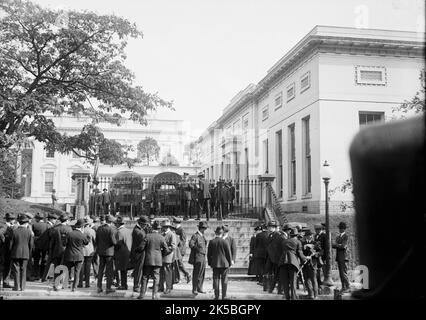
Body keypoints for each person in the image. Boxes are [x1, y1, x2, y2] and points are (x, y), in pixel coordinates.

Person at [138, 221, 170, 300]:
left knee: (145, 277)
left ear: (152, 228)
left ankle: (142, 294)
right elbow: (167, 250)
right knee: (156, 277)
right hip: (158, 260)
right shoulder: (161, 237)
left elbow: (141, 248)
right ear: (159, 229)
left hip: (148, 259)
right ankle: (154, 295)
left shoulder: (147, 236)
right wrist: (161, 254)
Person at [278, 227, 308, 300]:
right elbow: (300, 253)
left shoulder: (284, 242)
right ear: (296, 235)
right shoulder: (298, 242)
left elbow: (280, 252)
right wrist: (305, 259)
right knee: (293, 282)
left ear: (290, 235)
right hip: (292, 263)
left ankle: (287, 298)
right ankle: (293, 298)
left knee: (285, 282)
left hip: (283, 263)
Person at [63, 219, 89, 292]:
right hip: (79, 255)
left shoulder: (69, 233)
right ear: (82, 227)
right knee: (77, 272)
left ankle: (65, 284)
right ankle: (74, 287)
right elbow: (86, 242)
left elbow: (64, 243)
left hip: (69, 254)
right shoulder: (82, 235)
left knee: (66, 270)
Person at [207, 226, 233, 300]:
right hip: (224, 264)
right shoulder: (225, 242)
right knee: (224, 280)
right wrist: (230, 263)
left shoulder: (212, 242)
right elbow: (228, 254)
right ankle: (224, 296)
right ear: (222, 233)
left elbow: (209, 254)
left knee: (216, 279)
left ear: (215, 233)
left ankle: (216, 296)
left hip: (215, 264)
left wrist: (210, 263)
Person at [10, 214, 33, 291]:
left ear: (19, 222)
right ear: (26, 223)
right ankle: (23, 287)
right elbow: (31, 245)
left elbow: (11, 244)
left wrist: (11, 251)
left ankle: (16, 287)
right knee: (24, 270)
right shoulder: (29, 232)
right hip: (26, 253)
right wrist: (29, 253)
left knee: (16, 270)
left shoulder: (14, 231)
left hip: (15, 253)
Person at [50, 213, 73, 291]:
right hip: (66, 250)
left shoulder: (55, 228)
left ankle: (56, 285)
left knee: (57, 267)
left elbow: (52, 241)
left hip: (56, 250)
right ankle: (64, 284)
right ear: (66, 220)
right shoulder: (69, 229)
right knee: (65, 267)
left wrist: (51, 251)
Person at [95, 214, 117, 294]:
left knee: (101, 269)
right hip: (109, 252)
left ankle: (99, 287)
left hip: (101, 251)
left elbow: (96, 240)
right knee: (109, 270)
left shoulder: (99, 228)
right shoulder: (111, 229)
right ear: (110, 221)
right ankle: (108, 287)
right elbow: (113, 242)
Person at [129, 216, 150, 293]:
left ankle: (138, 285)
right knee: (138, 270)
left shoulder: (140, 230)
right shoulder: (138, 231)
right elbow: (145, 239)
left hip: (140, 252)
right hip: (139, 253)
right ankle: (136, 286)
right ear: (141, 224)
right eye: (145, 224)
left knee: (139, 270)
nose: (146, 226)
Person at [188, 221, 208, 296]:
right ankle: (195, 289)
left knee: (202, 273)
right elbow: (191, 244)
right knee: (197, 273)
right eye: (204, 228)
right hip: (198, 257)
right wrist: (197, 249)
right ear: (201, 228)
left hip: (203, 256)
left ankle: (200, 287)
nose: (205, 230)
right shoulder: (195, 235)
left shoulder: (203, 236)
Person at [113, 216, 132, 290]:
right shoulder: (128, 230)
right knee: (125, 270)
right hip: (128, 251)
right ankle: (124, 284)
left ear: (118, 224)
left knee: (122, 270)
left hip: (121, 252)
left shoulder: (119, 232)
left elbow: (118, 244)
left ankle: (123, 285)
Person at [301, 229, 321, 299]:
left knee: (314, 279)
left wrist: (314, 254)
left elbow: (320, 253)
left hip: (313, 264)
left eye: (310, 235)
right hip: (305, 264)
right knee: (307, 280)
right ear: (305, 236)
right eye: (308, 235)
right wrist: (305, 256)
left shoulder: (315, 243)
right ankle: (310, 294)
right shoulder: (302, 243)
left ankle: (316, 295)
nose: (309, 236)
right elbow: (300, 253)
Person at [39, 213, 58, 282]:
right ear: (51, 219)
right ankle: (43, 276)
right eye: (55, 219)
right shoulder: (49, 226)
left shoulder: (49, 225)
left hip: (47, 246)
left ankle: (44, 276)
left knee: (47, 262)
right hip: (48, 246)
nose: (55, 220)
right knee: (46, 261)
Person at [78, 216, 96, 288]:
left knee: (81, 267)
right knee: (88, 267)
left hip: (81, 250)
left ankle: (80, 283)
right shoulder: (92, 231)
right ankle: (87, 283)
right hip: (90, 250)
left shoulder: (81, 231)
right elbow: (95, 241)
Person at [159, 220, 176, 294]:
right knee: (161, 272)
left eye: (164, 227)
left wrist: (165, 249)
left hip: (168, 256)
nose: (163, 228)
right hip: (162, 255)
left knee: (167, 272)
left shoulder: (171, 234)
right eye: (163, 227)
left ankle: (168, 287)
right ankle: (161, 287)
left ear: (167, 227)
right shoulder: (162, 234)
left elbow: (173, 246)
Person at [332, 221, 350, 293]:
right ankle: (343, 287)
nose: (340, 229)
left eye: (341, 228)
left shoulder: (346, 236)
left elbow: (343, 246)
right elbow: (333, 245)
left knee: (343, 273)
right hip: (339, 257)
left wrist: (337, 245)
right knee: (341, 273)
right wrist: (338, 245)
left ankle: (348, 286)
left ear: (344, 229)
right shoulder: (338, 236)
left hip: (344, 257)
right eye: (339, 228)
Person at [172, 217, 191, 284]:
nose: (173, 224)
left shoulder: (181, 230)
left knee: (179, 264)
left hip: (180, 250)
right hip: (176, 250)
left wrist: (178, 249)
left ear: (177, 223)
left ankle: (187, 274)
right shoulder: (175, 229)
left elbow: (183, 241)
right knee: (176, 264)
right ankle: (177, 278)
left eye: (174, 223)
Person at [31, 212, 48, 280]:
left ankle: (36, 274)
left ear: (37, 218)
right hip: (45, 245)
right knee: (44, 260)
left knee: (36, 260)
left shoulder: (34, 225)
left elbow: (33, 235)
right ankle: (42, 274)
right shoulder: (47, 225)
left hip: (36, 244)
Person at [2, 213, 16, 288]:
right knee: (7, 266)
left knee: (8, 266)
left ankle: (6, 282)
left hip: (8, 250)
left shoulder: (9, 226)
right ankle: (5, 282)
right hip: (6, 250)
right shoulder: (5, 226)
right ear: (11, 220)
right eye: (13, 219)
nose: (14, 221)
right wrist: (4, 240)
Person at [253, 223, 268, 288]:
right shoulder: (269, 234)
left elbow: (255, 245)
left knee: (260, 267)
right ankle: (266, 280)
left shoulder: (258, 235)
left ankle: (261, 280)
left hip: (259, 254)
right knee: (266, 267)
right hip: (267, 253)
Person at [313, 223, 326, 289]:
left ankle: (323, 282)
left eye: (317, 230)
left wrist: (321, 253)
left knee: (323, 269)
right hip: (316, 255)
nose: (316, 231)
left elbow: (325, 247)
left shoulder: (324, 235)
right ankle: (318, 281)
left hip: (322, 255)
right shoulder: (316, 236)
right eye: (315, 230)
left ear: (320, 229)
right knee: (317, 269)